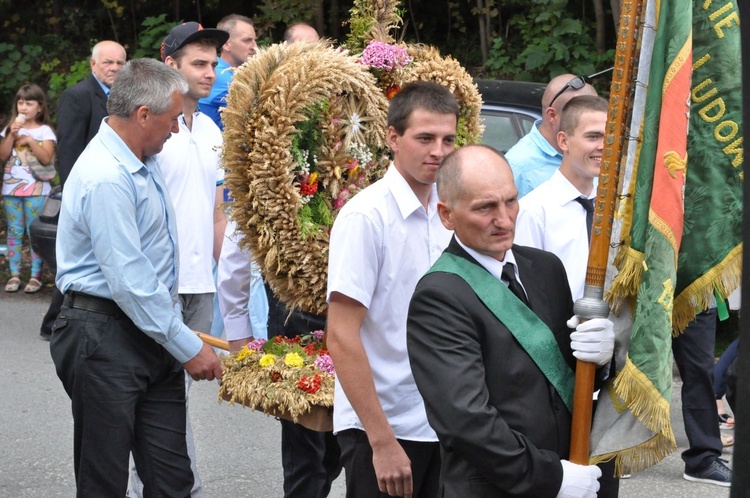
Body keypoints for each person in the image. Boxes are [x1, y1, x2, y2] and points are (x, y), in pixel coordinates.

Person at [50, 58, 223, 497]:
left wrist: (173, 335)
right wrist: (188, 345)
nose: (176, 130)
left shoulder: (142, 158)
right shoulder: (107, 176)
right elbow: (128, 279)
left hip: (148, 330)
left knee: (171, 478)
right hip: (103, 333)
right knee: (105, 478)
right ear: (143, 115)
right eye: (171, 119)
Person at [406, 144, 614, 497]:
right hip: (498, 487)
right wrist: (551, 477)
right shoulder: (440, 295)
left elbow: (564, 376)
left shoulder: (545, 268)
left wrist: (603, 357)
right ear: (446, 214)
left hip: (575, 472)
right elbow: (466, 419)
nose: (504, 220)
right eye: (485, 207)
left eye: (511, 201)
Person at [327, 81, 459, 498]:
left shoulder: (452, 210)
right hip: (386, 424)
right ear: (392, 137)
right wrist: (381, 441)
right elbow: (342, 335)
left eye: (448, 139)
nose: (438, 151)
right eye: (425, 138)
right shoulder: (365, 217)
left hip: (447, 422)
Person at [126, 22, 230, 498]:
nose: (210, 73)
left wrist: (225, 277)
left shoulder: (210, 129)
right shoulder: (149, 130)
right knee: (145, 393)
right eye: (199, 64)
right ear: (170, 66)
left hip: (199, 283)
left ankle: (171, 485)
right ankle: (161, 486)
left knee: (176, 394)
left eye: (213, 63)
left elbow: (214, 213)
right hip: (157, 284)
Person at [39, 39, 127, 340]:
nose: (114, 68)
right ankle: (54, 321)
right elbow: (69, 150)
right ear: (93, 65)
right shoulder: (76, 96)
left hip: (112, 189)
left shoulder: (123, 98)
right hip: (86, 190)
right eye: (107, 62)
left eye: (119, 62)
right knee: (80, 258)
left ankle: (56, 319)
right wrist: (74, 193)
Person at [515, 95, 608, 301]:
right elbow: (527, 289)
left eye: (609, 136)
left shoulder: (611, 207)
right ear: (564, 141)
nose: (604, 146)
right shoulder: (534, 211)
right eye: (593, 137)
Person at [0, 83, 56, 293]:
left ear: (39, 107)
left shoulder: (45, 131)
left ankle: (36, 275)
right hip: (11, 190)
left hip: (37, 190)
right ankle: (14, 274)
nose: (23, 107)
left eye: (29, 103)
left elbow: (46, 158)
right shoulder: (10, 129)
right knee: (14, 232)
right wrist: (12, 135)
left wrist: (31, 140)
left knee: (34, 232)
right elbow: (3, 156)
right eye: (20, 102)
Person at [505, 73, 597, 198]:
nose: (594, 122)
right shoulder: (518, 166)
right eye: (582, 114)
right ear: (552, 115)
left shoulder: (594, 154)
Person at [675, 308, 733, 486]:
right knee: (629, 365)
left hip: (696, 291)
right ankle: (615, 452)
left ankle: (703, 459)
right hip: (642, 288)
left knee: (700, 371)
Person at [198, 14, 257, 129]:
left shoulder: (235, 74)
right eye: (247, 40)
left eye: (255, 40)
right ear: (226, 44)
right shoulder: (220, 74)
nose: (254, 47)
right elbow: (260, 109)